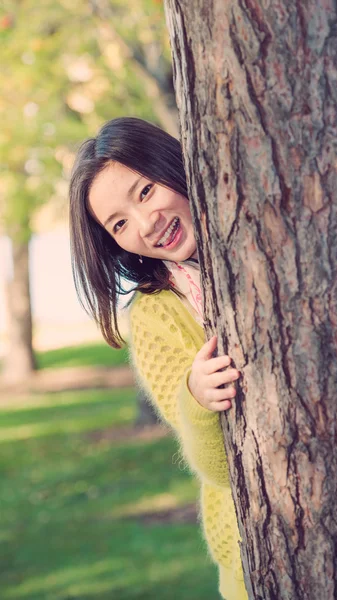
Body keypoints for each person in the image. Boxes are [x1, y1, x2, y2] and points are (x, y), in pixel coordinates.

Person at [69, 117, 247, 600]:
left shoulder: (260, 240)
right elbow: (218, 470)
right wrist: (196, 398)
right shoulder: (155, 317)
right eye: (120, 224)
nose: (147, 224)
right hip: (255, 550)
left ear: (172, 164)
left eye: (145, 191)